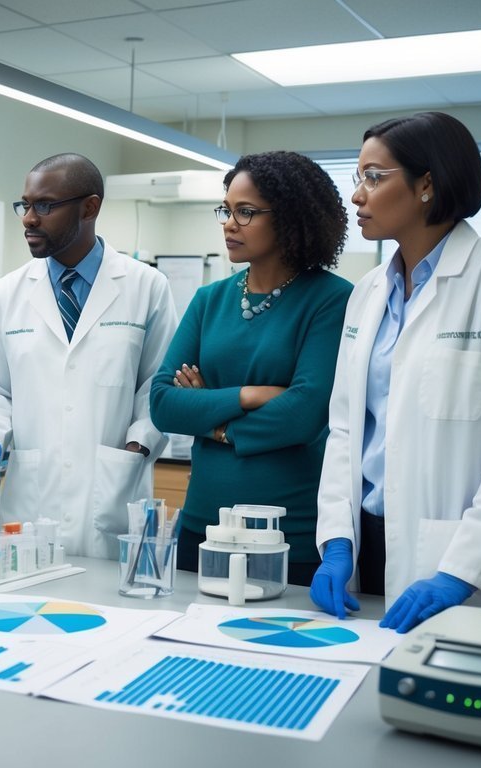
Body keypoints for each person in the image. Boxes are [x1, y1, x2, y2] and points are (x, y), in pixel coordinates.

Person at [310, 112, 481, 632]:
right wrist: (337, 539)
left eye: (374, 177)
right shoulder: (368, 293)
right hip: (367, 547)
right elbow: (345, 430)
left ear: (427, 184)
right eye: (358, 178)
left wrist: (460, 572)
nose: (357, 195)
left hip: (461, 560)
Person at [0, 153, 176, 558]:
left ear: (89, 207)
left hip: (114, 495)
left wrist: (136, 447)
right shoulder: (6, 293)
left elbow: (157, 389)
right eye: (25, 204)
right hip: (30, 502)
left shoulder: (146, 287)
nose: (28, 218)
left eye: (45, 205)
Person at [149, 152, 352, 586]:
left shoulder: (332, 299)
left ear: (292, 219)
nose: (229, 223)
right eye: (226, 210)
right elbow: (163, 403)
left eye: (246, 212)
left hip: (287, 533)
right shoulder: (210, 299)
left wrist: (209, 415)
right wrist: (250, 395)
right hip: (202, 527)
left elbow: (304, 413)